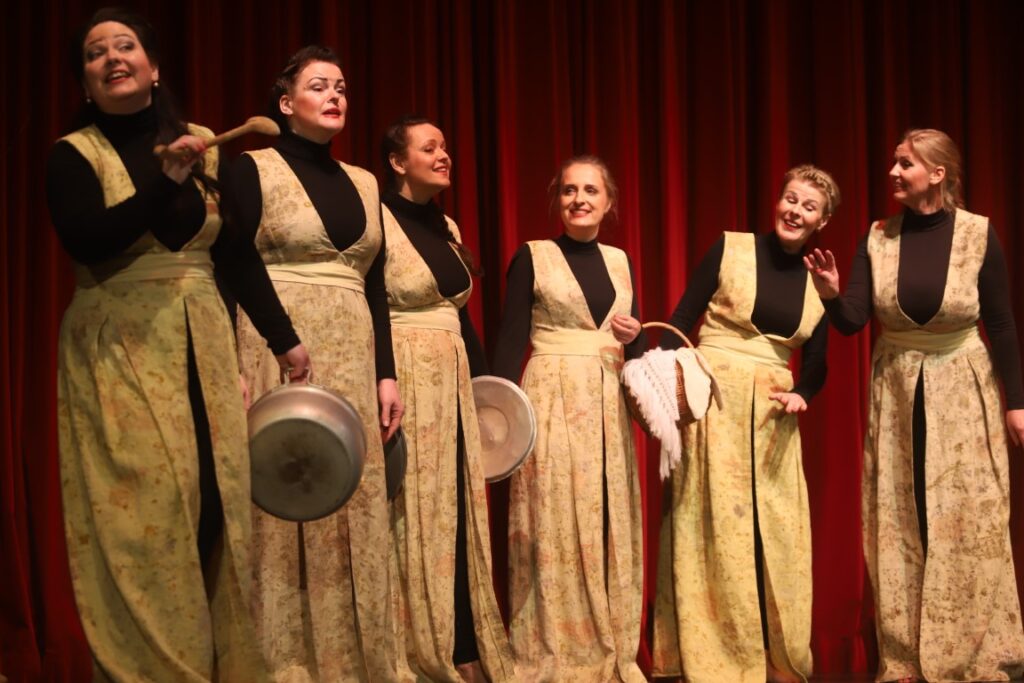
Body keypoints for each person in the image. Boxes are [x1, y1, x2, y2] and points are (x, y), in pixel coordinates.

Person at [46, 8, 309, 681]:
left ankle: (216, 664)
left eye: (125, 46)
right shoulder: (74, 154)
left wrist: (283, 339)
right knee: (147, 513)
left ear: (154, 67)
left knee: (214, 503)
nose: (112, 58)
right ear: (85, 81)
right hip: (119, 348)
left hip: (202, 343)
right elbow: (88, 241)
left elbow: (234, 253)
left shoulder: (206, 146)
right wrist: (162, 180)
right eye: (95, 53)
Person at [805, 129, 1024, 683]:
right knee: (904, 517)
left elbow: (1000, 324)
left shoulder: (977, 234)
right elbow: (854, 321)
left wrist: (1017, 403)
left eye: (905, 164)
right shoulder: (878, 237)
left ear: (938, 173)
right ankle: (904, 655)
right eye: (894, 163)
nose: (894, 173)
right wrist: (831, 292)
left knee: (968, 517)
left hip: (964, 391)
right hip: (899, 391)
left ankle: (975, 652)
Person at [225, 45, 405, 681]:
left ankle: (351, 658)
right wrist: (234, 359)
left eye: (342, 87)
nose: (335, 96)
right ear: (285, 103)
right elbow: (229, 264)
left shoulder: (366, 182)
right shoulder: (251, 168)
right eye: (319, 85)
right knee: (281, 486)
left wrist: (386, 372)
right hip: (276, 345)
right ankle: (279, 659)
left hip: (353, 351)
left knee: (350, 491)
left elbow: (376, 285)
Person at [650, 165, 838, 683]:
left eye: (809, 207)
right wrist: (659, 384)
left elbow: (817, 365)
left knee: (767, 535)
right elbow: (681, 319)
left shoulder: (818, 284)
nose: (795, 211)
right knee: (706, 528)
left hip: (772, 420)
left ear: (821, 222)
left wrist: (802, 393)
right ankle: (709, 655)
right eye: (790, 199)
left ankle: (772, 656)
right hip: (710, 410)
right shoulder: (730, 248)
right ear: (778, 200)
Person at [491, 155, 646, 682]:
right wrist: (499, 422)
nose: (579, 199)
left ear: (609, 202)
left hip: (606, 402)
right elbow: (510, 340)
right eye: (569, 190)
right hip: (552, 397)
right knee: (553, 516)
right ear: (558, 200)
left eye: (590, 190)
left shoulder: (621, 261)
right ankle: (553, 642)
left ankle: (609, 638)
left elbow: (634, 345)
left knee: (604, 516)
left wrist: (635, 336)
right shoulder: (533, 256)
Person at [380, 115, 516, 683]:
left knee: (456, 510)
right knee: (412, 510)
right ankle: (417, 641)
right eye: (428, 147)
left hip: (454, 378)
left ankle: (462, 642)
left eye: (445, 147)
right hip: (406, 375)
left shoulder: (448, 225)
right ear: (397, 162)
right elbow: (371, 309)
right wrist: (382, 377)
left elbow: (462, 319)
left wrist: (486, 393)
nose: (443, 156)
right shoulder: (377, 219)